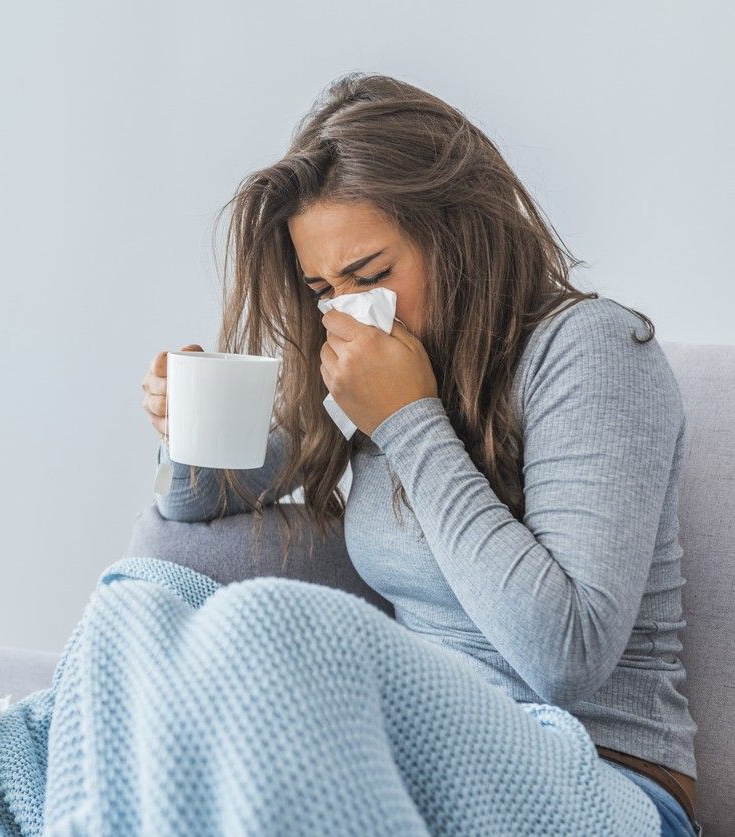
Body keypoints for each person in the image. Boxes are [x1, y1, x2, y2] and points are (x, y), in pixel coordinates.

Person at [139, 72, 699, 835]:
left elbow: (565, 655)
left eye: (371, 276)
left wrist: (408, 419)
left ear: (459, 233)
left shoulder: (591, 351)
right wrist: (187, 435)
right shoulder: (377, 373)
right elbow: (202, 502)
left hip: (603, 785)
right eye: (324, 288)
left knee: (263, 626)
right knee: (142, 598)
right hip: (417, 764)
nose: (351, 311)